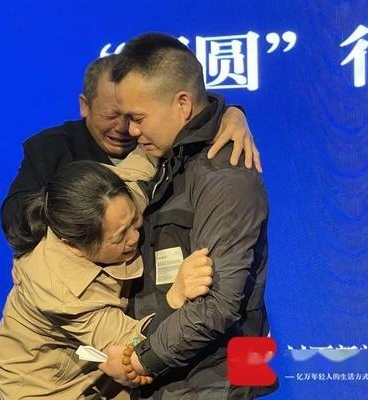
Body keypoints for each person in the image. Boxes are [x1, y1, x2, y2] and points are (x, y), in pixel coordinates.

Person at [97, 33, 276, 399]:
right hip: (173, 378)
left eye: (138, 118)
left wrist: (140, 360)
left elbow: (218, 305)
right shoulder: (169, 159)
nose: (131, 131)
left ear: (182, 104)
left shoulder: (224, 177)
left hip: (211, 384)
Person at [0, 150, 215, 400]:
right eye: (120, 237)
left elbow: (147, 155)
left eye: (134, 221)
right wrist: (175, 297)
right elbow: (134, 344)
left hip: (90, 364)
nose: (135, 237)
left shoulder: (110, 199)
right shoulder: (62, 293)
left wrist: (223, 125)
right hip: (45, 385)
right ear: (75, 246)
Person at [0, 54, 262, 240]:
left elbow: (191, 116)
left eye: (134, 116)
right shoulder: (51, 148)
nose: (125, 128)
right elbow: (15, 219)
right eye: (111, 115)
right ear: (85, 105)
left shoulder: (158, 140)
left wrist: (230, 112)